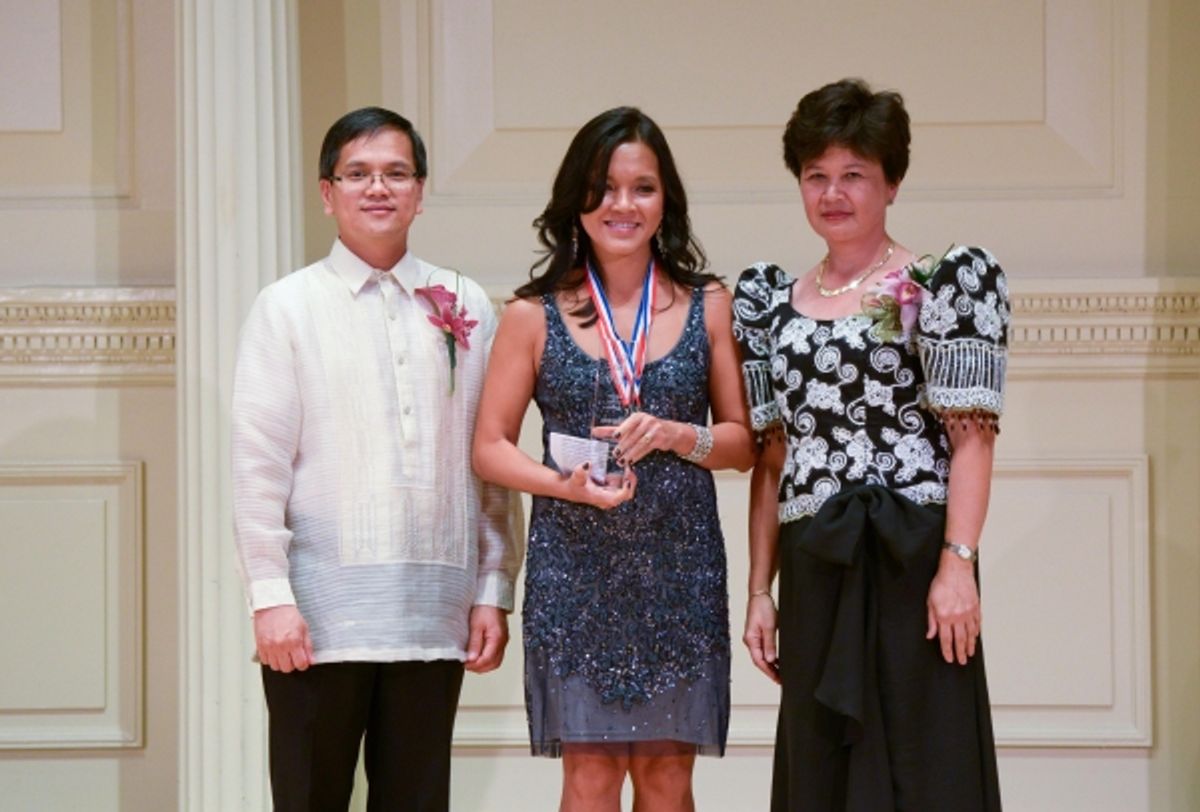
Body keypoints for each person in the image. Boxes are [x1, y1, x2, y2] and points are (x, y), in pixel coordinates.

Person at [232, 107, 522, 812]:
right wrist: (270, 598)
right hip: (317, 618)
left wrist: (493, 588)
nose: (378, 188)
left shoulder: (466, 304)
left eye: (396, 173)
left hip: (434, 616)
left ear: (420, 190)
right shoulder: (287, 307)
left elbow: (489, 461)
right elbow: (258, 465)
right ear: (327, 192)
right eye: (357, 174)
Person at [734, 78, 1007, 811]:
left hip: (913, 558)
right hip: (814, 559)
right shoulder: (770, 305)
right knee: (821, 765)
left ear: (891, 182)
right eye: (816, 176)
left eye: (854, 174)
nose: (833, 193)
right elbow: (771, 458)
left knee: (926, 764)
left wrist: (959, 565)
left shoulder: (940, 285)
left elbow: (971, 439)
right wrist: (761, 591)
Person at [472, 106, 755, 811]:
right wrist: (560, 486)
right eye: (603, 187)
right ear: (576, 199)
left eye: (643, 188)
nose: (622, 205)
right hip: (576, 573)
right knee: (589, 780)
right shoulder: (531, 314)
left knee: (667, 781)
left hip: (678, 570)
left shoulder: (708, 305)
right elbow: (488, 448)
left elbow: (744, 443)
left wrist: (674, 435)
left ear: (667, 202)